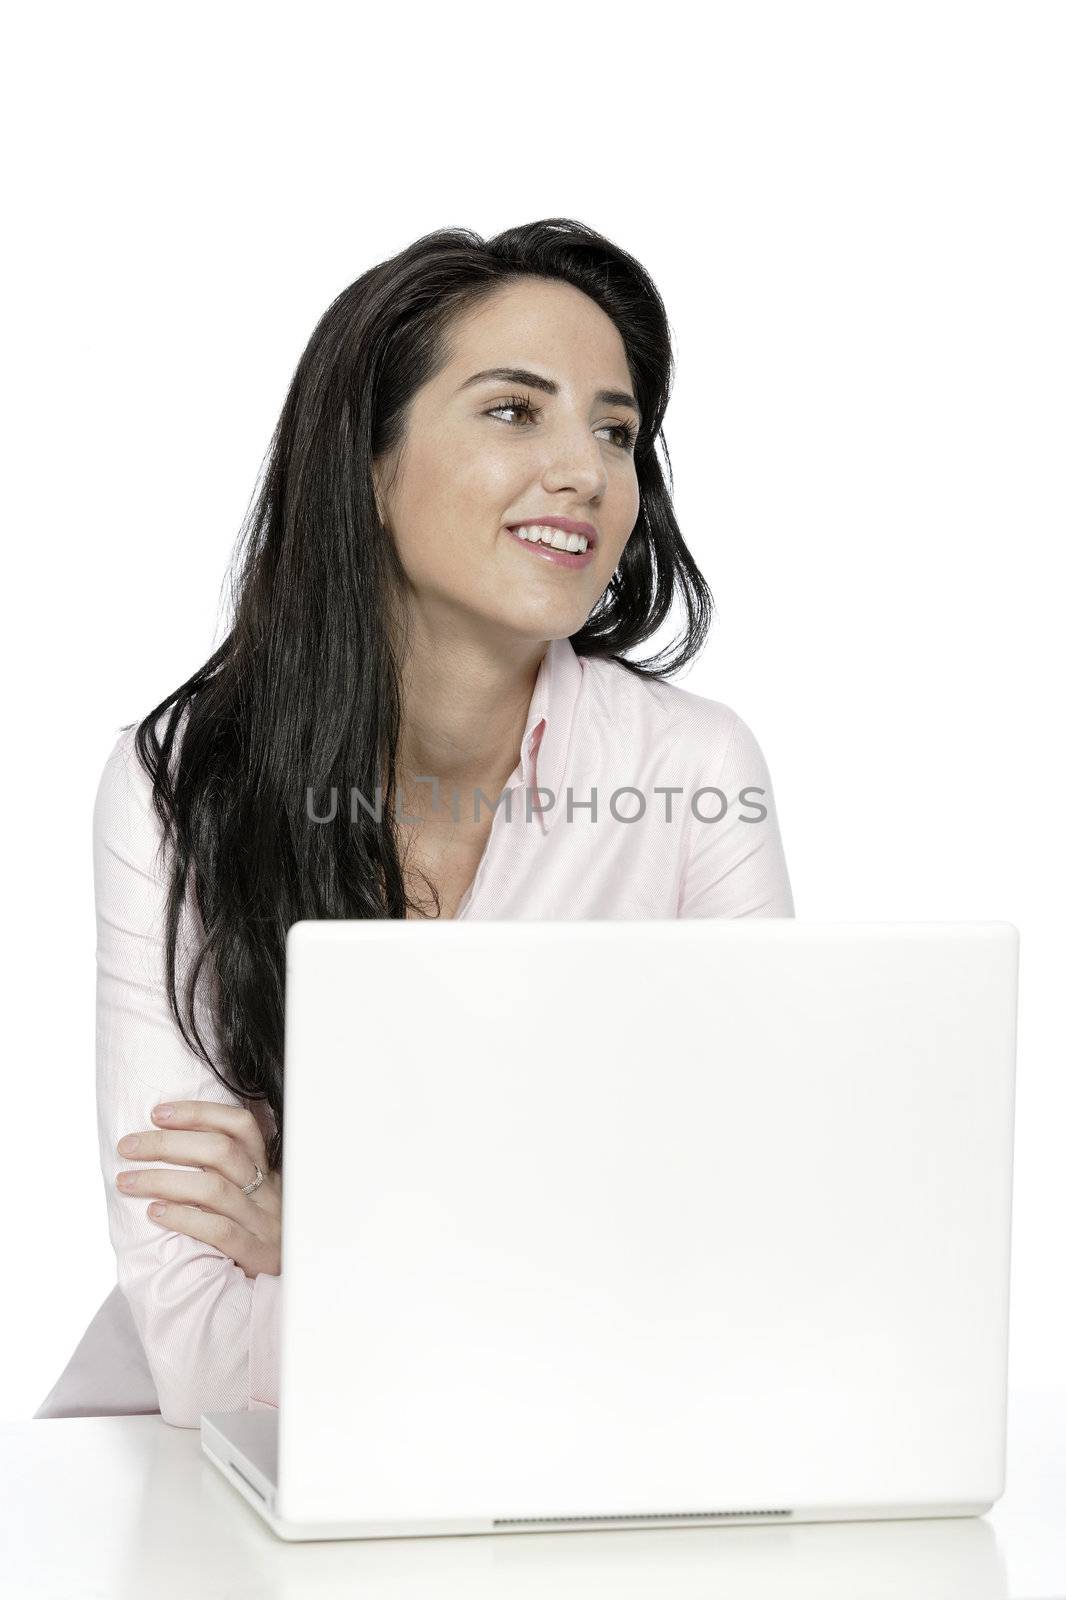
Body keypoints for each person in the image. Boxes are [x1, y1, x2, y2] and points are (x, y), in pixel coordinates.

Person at [94, 218, 796, 1428]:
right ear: (369, 467)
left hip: (592, 1477)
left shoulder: (693, 770)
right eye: (515, 411)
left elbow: (757, 1262)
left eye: (616, 430)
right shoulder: (183, 781)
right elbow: (209, 1364)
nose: (585, 468)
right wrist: (573, 1253)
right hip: (219, 1507)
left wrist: (318, 1231)